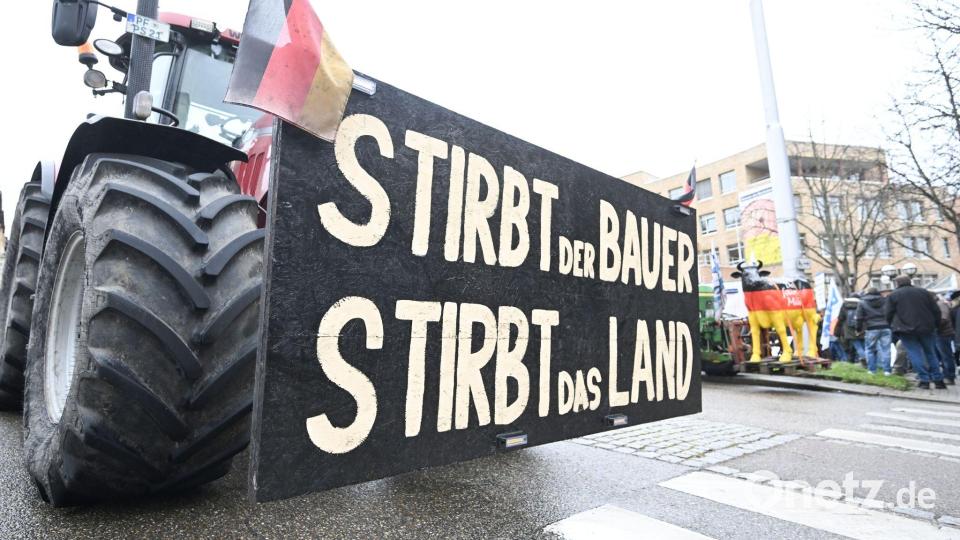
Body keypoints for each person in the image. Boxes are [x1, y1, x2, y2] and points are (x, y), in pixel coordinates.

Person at [886, 275, 946, 389]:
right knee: (930, 353)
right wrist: (936, 325)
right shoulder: (924, 292)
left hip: (905, 329)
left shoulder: (893, 295)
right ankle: (938, 380)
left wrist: (892, 326)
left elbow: (888, 314)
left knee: (914, 353)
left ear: (897, 284)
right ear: (910, 281)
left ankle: (924, 380)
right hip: (927, 328)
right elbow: (936, 310)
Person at [857, 287, 891, 375]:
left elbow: (859, 317)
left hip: (871, 328)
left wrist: (858, 329)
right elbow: (890, 312)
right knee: (886, 350)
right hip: (886, 326)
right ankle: (887, 371)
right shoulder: (885, 301)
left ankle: (872, 370)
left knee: (870, 349)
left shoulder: (862, 302)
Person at [934, 293, 957, 385]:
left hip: (943, 333)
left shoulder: (940, 304)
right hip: (940, 333)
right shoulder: (938, 304)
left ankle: (949, 376)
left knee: (946, 356)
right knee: (943, 355)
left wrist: (934, 327)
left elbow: (944, 318)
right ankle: (946, 375)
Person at [835, 296, 865, 364]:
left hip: (849, 329)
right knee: (863, 345)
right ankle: (866, 359)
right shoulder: (861, 303)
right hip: (861, 327)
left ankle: (864, 358)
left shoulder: (845, 305)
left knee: (857, 346)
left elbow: (841, 317)